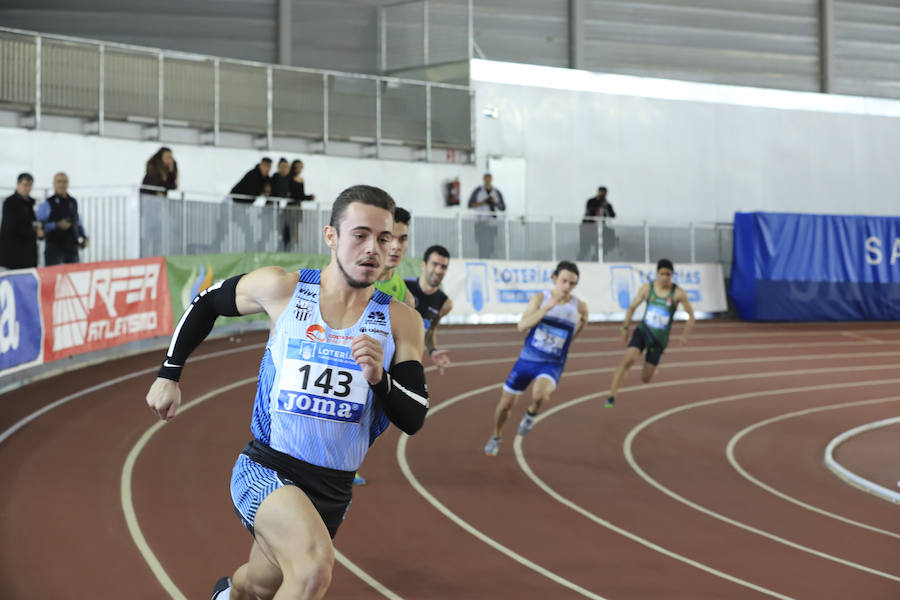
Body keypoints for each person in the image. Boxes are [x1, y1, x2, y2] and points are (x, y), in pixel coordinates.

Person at [146, 185, 427, 600]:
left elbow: (414, 416)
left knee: (259, 586)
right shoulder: (285, 289)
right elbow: (206, 302)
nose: (373, 248)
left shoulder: (401, 321)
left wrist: (379, 379)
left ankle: (227, 595)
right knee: (313, 571)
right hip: (267, 467)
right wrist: (169, 374)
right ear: (331, 236)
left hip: (332, 488)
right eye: (360, 234)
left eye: (384, 238)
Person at [483, 261, 588, 456]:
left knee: (540, 394)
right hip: (527, 360)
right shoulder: (540, 298)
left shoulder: (579, 307)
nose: (567, 287)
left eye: (572, 284)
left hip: (552, 363)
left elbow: (583, 322)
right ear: (554, 279)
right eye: (564, 281)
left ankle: (531, 413)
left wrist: (569, 341)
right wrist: (546, 308)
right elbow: (522, 326)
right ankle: (496, 436)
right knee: (506, 404)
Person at [605, 258, 695, 407]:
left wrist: (685, 336)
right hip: (643, 331)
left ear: (672, 275)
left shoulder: (678, 293)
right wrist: (625, 328)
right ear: (657, 274)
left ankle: (653, 369)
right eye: (662, 274)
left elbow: (691, 315)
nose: (665, 277)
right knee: (628, 360)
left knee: (645, 378)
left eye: (668, 274)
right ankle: (611, 396)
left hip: (659, 339)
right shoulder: (647, 289)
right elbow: (631, 308)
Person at [405, 245, 454, 375]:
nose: (438, 270)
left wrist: (433, 350)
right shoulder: (403, 287)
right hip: (386, 357)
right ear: (423, 265)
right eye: (435, 264)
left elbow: (430, 330)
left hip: (412, 361)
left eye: (443, 267)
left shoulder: (445, 303)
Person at [36, 172, 88, 265]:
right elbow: (38, 225)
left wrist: (84, 236)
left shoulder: (72, 201)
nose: (61, 184)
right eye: (58, 182)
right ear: (54, 184)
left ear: (68, 184)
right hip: (54, 250)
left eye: (64, 182)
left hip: (72, 249)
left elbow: (77, 221)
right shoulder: (47, 203)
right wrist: (56, 225)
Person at [373, 207, 415, 310]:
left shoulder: (406, 299)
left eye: (402, 239)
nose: (396, 246)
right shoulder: (351, 283)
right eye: (389, 238)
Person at [0, 173, 43, 270]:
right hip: (14, 254)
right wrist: (34, 233)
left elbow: (32, 223)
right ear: (18, 184)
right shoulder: (10, 202)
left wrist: (38, 230)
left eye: (30, 185)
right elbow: (12, 227)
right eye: (25, 184)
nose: (27, 188)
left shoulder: (30, 203)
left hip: (27, 254)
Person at [467, 172, 505, 259]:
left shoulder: (496, 192)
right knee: (482, 244)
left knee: (491, 244)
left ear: (491, 179)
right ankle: (482, 260)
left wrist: (495, 202)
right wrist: (484, 202)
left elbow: (502, 207)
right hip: (481, 222)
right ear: (484, 179)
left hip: (492, 223)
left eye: (489, 178)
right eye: (486, 178)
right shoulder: (478, 191)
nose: (488, 180)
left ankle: (490, 260)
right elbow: (470, 205)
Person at [579, 186, 615, 261]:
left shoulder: (607, 204)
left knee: (603, 245)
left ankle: (596, 259)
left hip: (600, 228)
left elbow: (612, 215)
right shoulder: (591, 201)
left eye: (604, 194)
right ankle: (580, 260)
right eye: (601, 193)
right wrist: (599, 203)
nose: (602, 195)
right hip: (589, 227)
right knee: (585, 247)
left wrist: (606, 206)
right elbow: (589, 210)